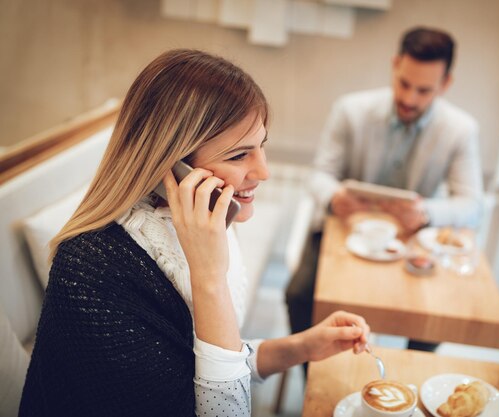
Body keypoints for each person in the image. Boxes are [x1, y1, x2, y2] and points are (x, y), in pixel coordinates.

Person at [19, 49, 371, 417]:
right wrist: (209, 279)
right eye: (238, 156)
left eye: (261, 147)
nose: (263, 171)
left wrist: (300, 348)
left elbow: (194, 364)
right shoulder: (95, 270)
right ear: (172, 165)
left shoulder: (196, 222)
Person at [286, 27, 483, 354]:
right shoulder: (350, 110)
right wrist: (335, 196)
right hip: (341, 231)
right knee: (298, 296)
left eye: (424, 90)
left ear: (445, 84)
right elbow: (319, 175)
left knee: (435, 312)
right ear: (395, 65)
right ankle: (316, 379)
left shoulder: (461, 130)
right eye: (404, 84)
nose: (409, 99)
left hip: (411, 242)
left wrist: (426, 212)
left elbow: (473, 205)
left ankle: (406, 382)